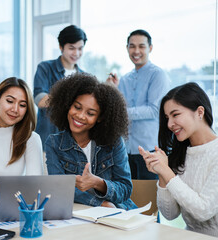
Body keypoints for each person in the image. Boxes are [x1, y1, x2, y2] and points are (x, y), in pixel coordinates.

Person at [46, 73, 136, 209]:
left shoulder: (114, 142)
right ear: (68, 105)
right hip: (80, 214)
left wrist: (98, 183)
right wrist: (100, 203)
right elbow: (59, 188)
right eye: (77, 107)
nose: (80, 116)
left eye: (90, 113)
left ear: (100, 118)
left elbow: (125, 189)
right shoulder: (54, 143)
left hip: (119, 212)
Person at [139, 82, 218, 237]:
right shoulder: (181, 153)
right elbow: (170, 214)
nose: (169, 124)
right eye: (167, 118)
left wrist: (167, 172)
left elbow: (203, 211)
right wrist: (161, 173)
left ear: (199, 112)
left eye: (175, 115)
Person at [107, 29, 170, 180]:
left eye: (141, 46)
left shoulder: (158, 75)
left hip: (150, 149)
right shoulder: (125, 79)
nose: (136, 51)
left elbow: (154, 110)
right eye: (132, 46)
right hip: (126, 150)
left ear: (150, 48)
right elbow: (117, 110)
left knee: (149, 196)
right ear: (127, 48)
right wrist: (113, 90)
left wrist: (122, 112)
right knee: (131, 195)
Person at [34, 25, 87, 148]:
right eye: (71, 48)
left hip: (74, 144)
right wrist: (70, 96)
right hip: (48, 141)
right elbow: (40, 100)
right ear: (61, 47)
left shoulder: (84, 76)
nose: (76, 53)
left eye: (80, 48)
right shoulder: (45, 68)